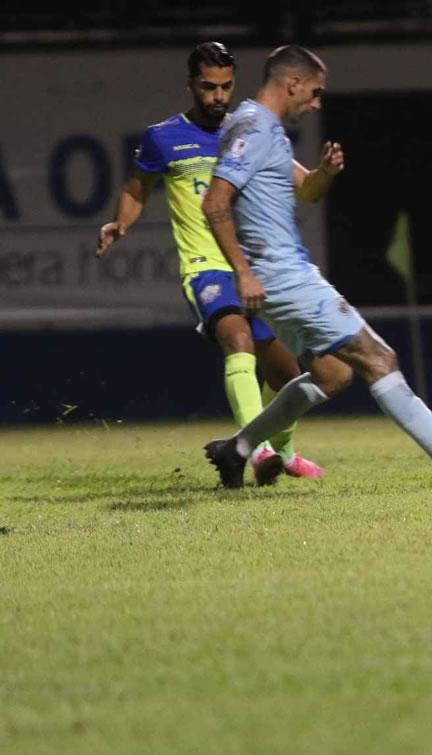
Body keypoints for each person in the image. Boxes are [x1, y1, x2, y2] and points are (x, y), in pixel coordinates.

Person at [200, 45, 432, 489]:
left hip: (277, 276)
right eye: (315, 92)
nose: (317, 103)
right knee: (379, 358)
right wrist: (243, 272)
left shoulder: (264, 129)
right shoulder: (253, 126)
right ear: (292, 83)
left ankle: (236, 450)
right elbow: (214, 202)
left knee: (333, 374)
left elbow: (307, 191)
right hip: (282, 275)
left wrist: (324, 173)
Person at [95, 41, 327, 486]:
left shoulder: (248, 130)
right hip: (206, 267)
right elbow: (137, 189)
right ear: (190, 84)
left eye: (226, 87)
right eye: (208, 87)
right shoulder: (164, 137)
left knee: (286, 372)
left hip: (255, 266)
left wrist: (325, 173)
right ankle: (255, 450)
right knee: (237, 338)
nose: (218, 96)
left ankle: (283, 451)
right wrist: (120, 224)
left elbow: (304, 185)